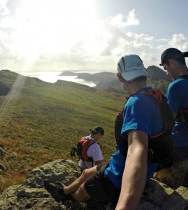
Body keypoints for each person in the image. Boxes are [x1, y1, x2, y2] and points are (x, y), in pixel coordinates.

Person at [44, 54, 166, 209]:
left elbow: (137, 151)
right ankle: (63, 191)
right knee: (86, 174)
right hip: (119, 163)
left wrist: (125, 204)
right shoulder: (157, 97)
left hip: (116, 177)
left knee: (81, 193)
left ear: (120, 77)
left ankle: (69, 198)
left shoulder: (137, 103)